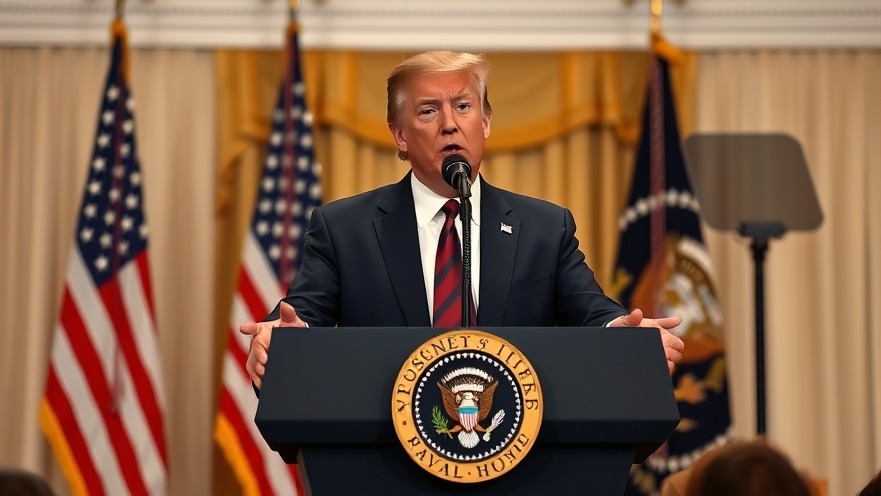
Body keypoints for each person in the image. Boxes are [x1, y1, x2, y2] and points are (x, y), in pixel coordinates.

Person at [241, 51, 684, 390]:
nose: (450, 125)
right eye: (429, 111)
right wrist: (284, 339)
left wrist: (625, 335)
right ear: (399, 135)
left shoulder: (545, 229)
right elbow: (302, 317)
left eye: (464, 106)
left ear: (486, 123)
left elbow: (591, 310)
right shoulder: (345, 229)